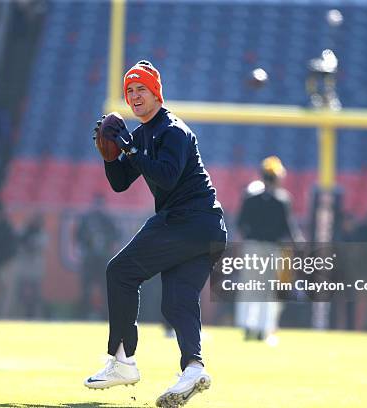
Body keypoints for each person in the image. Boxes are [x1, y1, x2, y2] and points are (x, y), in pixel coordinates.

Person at [84, 60, 227, 408]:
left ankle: (122, 361)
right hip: (204, 230)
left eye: (140, 89)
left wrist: (128, 148)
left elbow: (165, 176)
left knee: (120, 271)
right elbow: (120, 183)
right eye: (129, 91)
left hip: (188, 221)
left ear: (156, 93)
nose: (134, 96)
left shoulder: (172, 130)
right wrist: (108, 156)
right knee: (176, 301)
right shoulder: (143, 135)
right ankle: (193, 367)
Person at [236, 156, 303, 344]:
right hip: (273, 249)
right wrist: (299, 243)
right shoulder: (282, 199)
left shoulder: (251, 197)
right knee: (268, 291)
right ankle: (264, 328)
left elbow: (241, 224)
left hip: (252, 247)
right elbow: (289, 229)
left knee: (250, 287)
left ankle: (247, 325)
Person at [76, 194, 120, 319]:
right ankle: (85, 314)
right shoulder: (86, 219)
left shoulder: (108, 220)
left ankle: (105, 314)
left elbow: (116, 236)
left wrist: (108, 244)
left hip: (103, 259)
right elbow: (79, 236)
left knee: (105, 288)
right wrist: (88, 243)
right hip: (90, 259)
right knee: (87, 287)